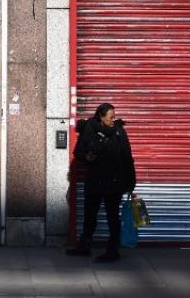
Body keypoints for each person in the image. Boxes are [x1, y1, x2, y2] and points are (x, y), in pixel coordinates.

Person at [66, 103, 136, 262]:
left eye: (114, 117)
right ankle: (84, 246)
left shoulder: (119, 132)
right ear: (101, 117)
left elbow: (127, 157)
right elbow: (78, 152)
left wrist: (131, 183)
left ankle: (113, 250)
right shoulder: (90, 129)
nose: (113, 120)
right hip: (95, 180)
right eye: (110, 117)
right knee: (90, 215)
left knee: (113, 217)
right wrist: (87, 157)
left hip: (114, 182)